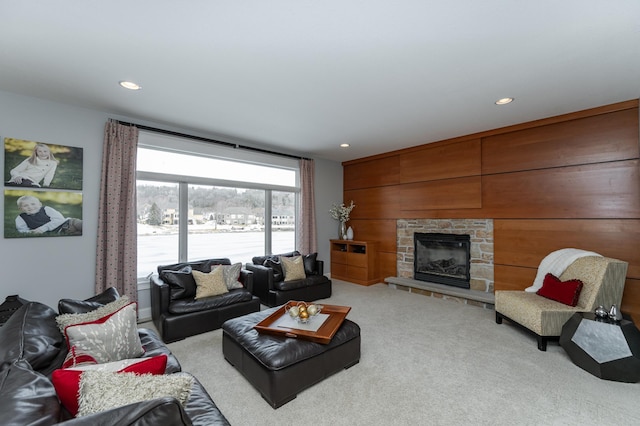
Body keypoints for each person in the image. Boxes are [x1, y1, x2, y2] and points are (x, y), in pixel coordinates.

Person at [15, 195, 82, 235]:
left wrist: (41, 229)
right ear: (20, 209)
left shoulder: (46, 209)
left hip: (70, 223)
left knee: (86, 227)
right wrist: (32, 232)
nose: (30, 207)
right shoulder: (21, 218)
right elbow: (22, 230)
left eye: (33, 204)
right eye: (25, 205)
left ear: (40, 204)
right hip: (63, 231)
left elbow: (59, 219)